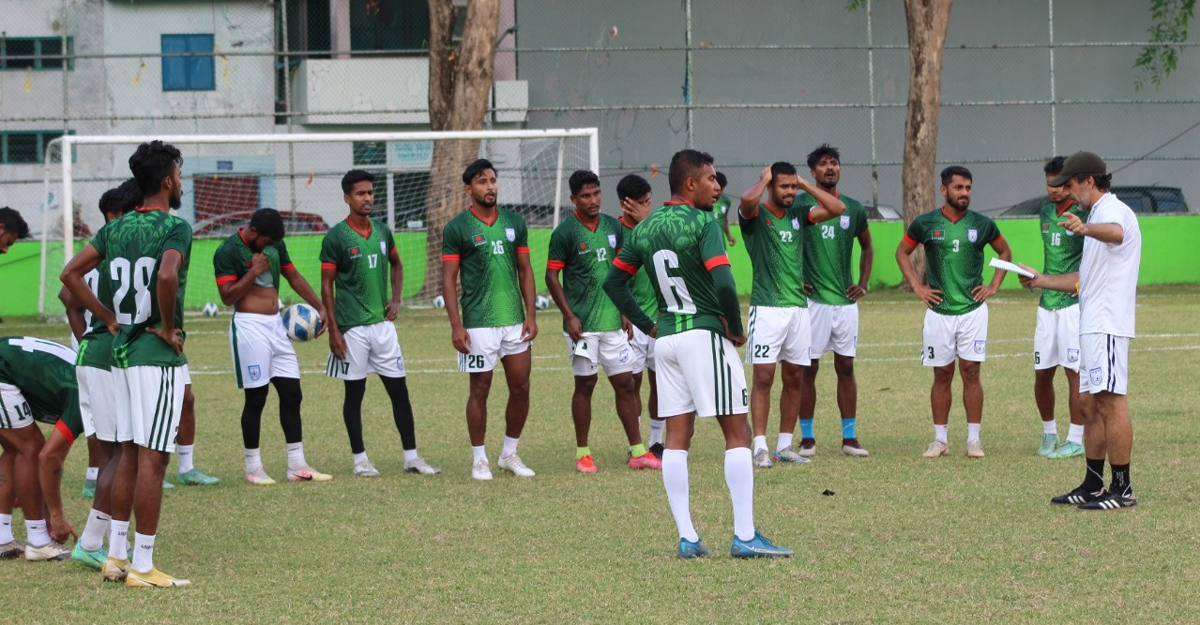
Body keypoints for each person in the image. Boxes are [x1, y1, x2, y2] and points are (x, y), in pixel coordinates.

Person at [604, 149, 792, 559]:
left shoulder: (644, 228)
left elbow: (614, 283)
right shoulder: (703, 223)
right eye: (710, 179)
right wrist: (736, 328)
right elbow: (723, 282)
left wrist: (649, 325)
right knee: (738, 432)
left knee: (676, 438)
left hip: (667, 341)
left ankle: (687, 537)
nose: (717, 186)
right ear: (690, 183)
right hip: (704, 335)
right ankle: (745, 536)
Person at [61, 140, 194, 587]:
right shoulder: (175, 227)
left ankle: (116, 557)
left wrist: (106, 317)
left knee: (129, 457)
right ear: (167, 181)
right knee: (153, 461)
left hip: (119, 355)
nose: (181, 182)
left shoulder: (115, 228)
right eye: (179, 174)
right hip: (154, 357)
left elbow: (69, 274)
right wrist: (168, 328)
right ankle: (143, 565)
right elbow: (167, 274)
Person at [1020, 151, 1141, 511]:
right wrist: (1041, 280)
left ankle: (1122, 489)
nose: (1068, 193)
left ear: (1089, 180)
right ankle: (1092, 483)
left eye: (1071, 185)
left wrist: (1085, 228)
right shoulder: (1095, 216)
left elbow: (1118, 234)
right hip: (1090, 324)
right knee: (1088, 403)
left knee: (1111, 402)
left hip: (1107, 324)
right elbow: (1082, 278)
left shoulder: (1112, 211)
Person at [321, 170, 439, 478]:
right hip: (352, 329)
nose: (368, 198)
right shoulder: (336, 237)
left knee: (400, 393)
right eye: (360, 193)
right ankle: (360, 460)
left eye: (371, 192)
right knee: (354, 396)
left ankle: (412, 458)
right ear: (347, 198)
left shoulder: (383, 231)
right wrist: (333, 329)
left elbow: (397, 264)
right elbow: (326, 286)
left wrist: (396, 299)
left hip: (383, 328)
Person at [546, 171, 658, 473]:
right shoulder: (565, 233)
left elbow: (621, 272)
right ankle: (583, 453)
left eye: (596, 193)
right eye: (586, 196)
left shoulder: (612, 226)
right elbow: (551, 276)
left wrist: (624, 310)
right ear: (573, 199)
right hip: (582, 326)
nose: (593, 200)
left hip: (613, 323)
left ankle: (638, 452)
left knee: (625, 384)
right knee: (585, 384)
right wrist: (569, 315)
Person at [896, 165, 1012, 459]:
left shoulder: (982, 224)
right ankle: (940, 440)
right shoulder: (925, 223)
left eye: (968, 188)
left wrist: (994, 285)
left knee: (971, 372)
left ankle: (974, 440)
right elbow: (902, 252)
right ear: (944, 190)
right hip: (939, 311)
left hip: (973, 310)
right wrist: (917, 286)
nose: (964, 193)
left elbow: (1005, 252)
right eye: (959, 187)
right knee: (942, 374)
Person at [738, 162, 845, 468]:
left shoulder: (799, 213)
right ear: (771, 186)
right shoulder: (756, 216)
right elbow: (746, 200)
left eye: (792, 187)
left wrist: (803, 183)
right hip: (767, 308)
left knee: (795, 376)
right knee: (763, 377)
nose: (789, 192)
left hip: (798, 309)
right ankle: (760, 447)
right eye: (783, 187)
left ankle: (784, 445)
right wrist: (765, 179)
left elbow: (837, 209)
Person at [215, 208, 332, 484]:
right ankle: (253, 468)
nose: (270, 247)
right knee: (256, 397)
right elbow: (227, 297)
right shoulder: (227, 251)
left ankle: (297, 466)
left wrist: (320, 306)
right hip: (249, 327)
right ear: (253, 231)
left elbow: (293, 276)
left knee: (292, 393)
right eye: (267, 242)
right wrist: (253, 271)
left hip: (277, 326)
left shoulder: (275, 243)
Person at [442, 159, 538, 480]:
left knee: (521, 387)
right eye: (482, 182)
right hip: (478, 322)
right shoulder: (457, 228)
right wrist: (456, 325)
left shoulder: (514, 222)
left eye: (493, 180)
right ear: (469, 189)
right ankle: (479, 459)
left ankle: (509, 453)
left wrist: (531, 314)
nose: (490, 186)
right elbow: (448, 279)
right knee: (480, 389)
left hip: (514, 321)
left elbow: (525, 270)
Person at [58, 179, 136, 570]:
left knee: (114, 453)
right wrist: (104, 319)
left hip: (96, 354)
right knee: (120, 454)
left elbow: (68, 293)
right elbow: (67, 284)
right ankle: (91, 542)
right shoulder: (118, 243)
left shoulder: (111, 244)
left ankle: (107, 539)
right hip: (103, 356)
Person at [796, 144, 873, 457]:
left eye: (834, 163)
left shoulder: (852, 208)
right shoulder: (799, 205)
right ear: (813, 172)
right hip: (813, 302)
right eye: (824, 164)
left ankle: (849, 438)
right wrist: (795, 278)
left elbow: (867, 247)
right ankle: (807, 438)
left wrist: (863, 283)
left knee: (846, 366)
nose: (830, 168)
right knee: (808, 369)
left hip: (845, 303)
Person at [0, 336, 77, 562]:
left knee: (14, 448)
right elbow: (48, 458)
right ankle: (39, 541)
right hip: (3, 371)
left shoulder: (91, 379)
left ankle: (2, 537)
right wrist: (55, 516)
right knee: (31, 448)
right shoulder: (87, 395)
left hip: (7, 366)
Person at [1032, 157, 1087, 459]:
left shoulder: (1083, 215)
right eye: (1049, 184)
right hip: (1047, 305)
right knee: (1042, 373)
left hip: (1073, 305)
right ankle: (1049, 433)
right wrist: (1035, 279)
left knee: (1073, 373)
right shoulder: (1043, 213)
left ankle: (1076, 439)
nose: (1054, 189)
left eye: (1060, 184)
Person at [615, 174, 664, 458]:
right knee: (632, 383)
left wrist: (647, 221)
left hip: (660, 319)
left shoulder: (655, 228)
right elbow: (612, 279)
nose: (648, 207)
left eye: (649, 201)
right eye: (642, 203)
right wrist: (622, 312)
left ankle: (657, 441)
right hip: (631, 323)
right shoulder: (614, 232)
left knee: (660, 382)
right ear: (626, 204)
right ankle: (636, 445)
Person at [713, 172, 736, 247]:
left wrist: (729, 236)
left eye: (722, 189)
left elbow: (725, 219)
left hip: (720, 240)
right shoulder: (702, 200)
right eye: (717, 189)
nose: (719, 192)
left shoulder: (726, 201)